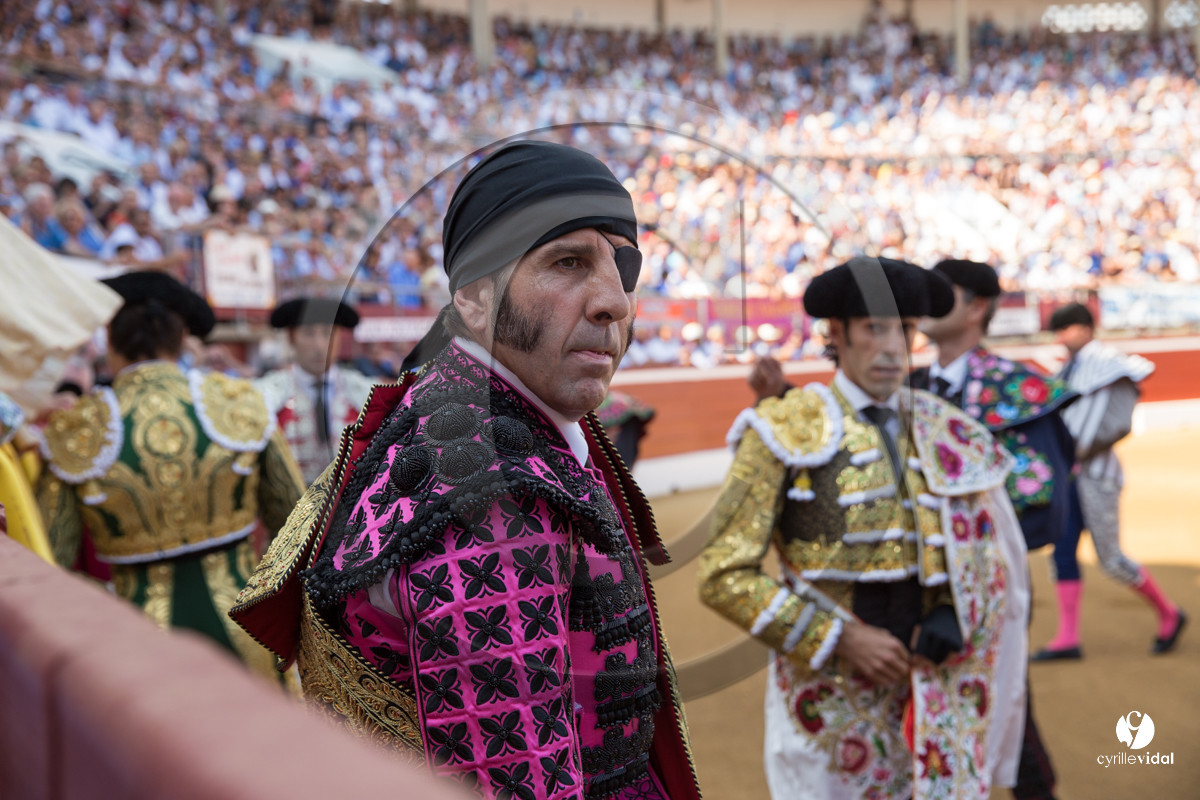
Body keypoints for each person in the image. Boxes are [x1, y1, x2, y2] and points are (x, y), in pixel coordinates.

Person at [230, 141, 701, 800]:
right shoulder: (495, 492)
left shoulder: (463, 416)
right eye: (567, 263)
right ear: (476, 301)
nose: (614, 303)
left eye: (622, 268)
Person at [700, 256, 1028, 800]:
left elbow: (990, 555)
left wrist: (954, 607)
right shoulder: (781, 429)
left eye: (904, 330)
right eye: (875, 329)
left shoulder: (946, 428)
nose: (894, 348)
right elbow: (723, 575)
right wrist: (840, 637)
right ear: (837, 334)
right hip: (830, 696)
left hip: (934, 685)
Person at [36, 272, 306, 680]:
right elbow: (295, 524)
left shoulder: (76, 430)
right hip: (248, 634)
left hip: (135, 645)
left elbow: (50, 566)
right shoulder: (238, 403)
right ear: (183, 339)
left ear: (111, 342)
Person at [912, 259, 1076, 800]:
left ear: (978, 306)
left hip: (988, 579)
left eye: (945, 291)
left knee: (1001, 687)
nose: (928, 299)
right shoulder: (907, 386)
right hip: (908, 580)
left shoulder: (1020, 389)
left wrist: (974, 554)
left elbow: (1045, 494)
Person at [1037, 303, 1187, 658]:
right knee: (1062, 552)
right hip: (1069, 475)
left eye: (1069, 328)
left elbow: (1133, 381)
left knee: (1111, 558)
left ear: (1087, 328)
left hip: (1098, 475)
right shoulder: (1070, 368)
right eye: (1059, 330)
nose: (1063, 336)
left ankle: (1170, 613)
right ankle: (1068, 638)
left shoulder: (1105, 362)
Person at [256, 297, 376, 485]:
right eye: (309, 334)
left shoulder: (366, 392)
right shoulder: (267, 394)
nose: (320, 345)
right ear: (291, 338)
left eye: (328, 334)